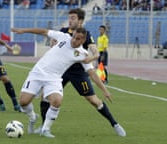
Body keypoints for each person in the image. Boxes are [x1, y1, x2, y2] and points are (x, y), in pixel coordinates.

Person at [35, 8, 126, 137]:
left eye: (73, 18)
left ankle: (115, 124)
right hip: (61, 70)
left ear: (80, 21)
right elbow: (53, 45)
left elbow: (95, 51)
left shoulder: (86, 34)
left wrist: (92, 58)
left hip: (78, 71)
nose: (70, 20)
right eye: (69, 17)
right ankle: (44, 127)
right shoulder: (63, 32)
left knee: (93, 100)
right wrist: (53, 44)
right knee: (45, 95)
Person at [11, 27, 91, 138]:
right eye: (74, 37)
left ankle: (45, 129)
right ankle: (33, 117)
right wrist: (24, 30)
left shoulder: (82, 53)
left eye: (78, 39)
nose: (74, 40)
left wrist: (95, 55)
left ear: (83, 40)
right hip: (37, 73)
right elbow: (43, 31)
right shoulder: (63, 37)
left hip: (54, 78)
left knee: (57, 101)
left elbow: (88, 61)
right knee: (23, 102)